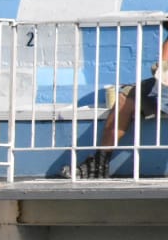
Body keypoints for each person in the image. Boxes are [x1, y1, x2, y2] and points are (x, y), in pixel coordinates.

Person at [63, 28, 168, 179]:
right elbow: (163, 67)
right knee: (125, 97)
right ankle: (98, 165)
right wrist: (160, 70)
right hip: (162, 89)